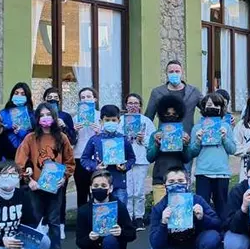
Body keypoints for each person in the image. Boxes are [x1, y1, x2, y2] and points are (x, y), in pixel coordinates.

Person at [15, 103, 75, 249]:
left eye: (48, 114)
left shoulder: (61, 138)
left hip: (55, 187)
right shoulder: (30, 138)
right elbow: (19, 162)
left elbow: (70, 162)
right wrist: (29, 181)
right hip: (35, 188)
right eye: (42, 115)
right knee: (35, 221)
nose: (45, 118)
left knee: (54, 221)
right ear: (37, 118)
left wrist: (64, 178)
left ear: (54, 117)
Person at [144, 167, 221, 249]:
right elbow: (155, 244)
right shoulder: (159, 208)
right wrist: (163, 223)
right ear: (165, 185)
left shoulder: (197, 200)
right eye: (171, 182)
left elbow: (218, 225)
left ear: (188, 182)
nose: (176, 185)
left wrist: (202, 217)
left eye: (180, 181)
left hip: (196, 246)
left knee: (212, 237)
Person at [62, 171, 137, 249]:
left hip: (114, 247)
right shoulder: (84, 211)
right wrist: (90, 238)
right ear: (91, 189)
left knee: (109, 239)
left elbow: (132, 234)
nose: (99, 188)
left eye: (103, 185)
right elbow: (80, 242)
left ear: (110, 188)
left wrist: (121, 232)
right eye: (95, 186)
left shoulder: (119, 206)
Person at [188, 93, 237, 221]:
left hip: (221, 173)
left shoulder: (226, 127)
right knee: (202, 207)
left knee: (222, 207)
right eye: (209, 104)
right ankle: (204, 233)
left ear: (221, 108)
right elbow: (191, 152)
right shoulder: (197, 127)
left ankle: (223, 234)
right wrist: (198, 140)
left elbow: (232, 149)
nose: (212, 107)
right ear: (203, 107)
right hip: (203, 172)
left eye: (216, 105)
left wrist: (224, 137)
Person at [80, 105, 137, 206]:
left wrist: (124, 166)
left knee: (120, 210)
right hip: (100, 185)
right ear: (101, 121)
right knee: (100, 211)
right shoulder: (95, 139)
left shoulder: (123, 139)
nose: (110, 122)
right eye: (107, 120)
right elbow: (84, 159)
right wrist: (95, 166)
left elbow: (132, 158)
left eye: (113, 120)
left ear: (119, 121)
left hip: (119, 182)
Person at [145, 60, 203, 152]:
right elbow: (148, 117)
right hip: (164, 139)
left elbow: (207, 108)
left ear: (182, 72)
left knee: (186, 165)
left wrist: (225, 116)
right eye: (171, 72)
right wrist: (148, 139)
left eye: (177, 71)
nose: (174, 74)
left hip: (186, 139)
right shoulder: (157, 92)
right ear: (166, 74)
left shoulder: (193, 91)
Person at [118, 93, 157, 231]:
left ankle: (139, 217)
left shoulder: (146, 121)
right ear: (125, 105)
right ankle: (128, 216)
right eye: (130, 103)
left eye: (136, 103)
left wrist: (142, 139)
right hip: (124, 160)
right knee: (128, 190)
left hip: (141, 159)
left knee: (139, 190)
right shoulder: (120, 121)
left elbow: (153, 143)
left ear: (140, 106)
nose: (133, 106)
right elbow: (115, 142)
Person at [43, 87, 77, 238]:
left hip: (61, 160)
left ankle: (61, 225)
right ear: (44, 99)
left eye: (55, 97)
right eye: (49, 97)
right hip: (43, 160)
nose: (53, 99)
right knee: (43, 193)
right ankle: (44, 225)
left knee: (60, 194)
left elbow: (72, 138)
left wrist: (64, 126)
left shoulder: (65, 116)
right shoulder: (40, 114)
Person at [146, 95, 191, 204]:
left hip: (178, 179)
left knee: (178, 211)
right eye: (167, 114)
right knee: (160, 211)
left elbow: (187, 158)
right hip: (160, 179)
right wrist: (157, 145)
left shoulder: (182, 134)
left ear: (179, 115)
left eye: (174, 114)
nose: (171, 116)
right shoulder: (156, 135)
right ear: (162, 114)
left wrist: (185, 145)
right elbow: (150, 157)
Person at [73, 87, 101, 208]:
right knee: (81, 190)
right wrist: (74, 131)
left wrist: (99, 131)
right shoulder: (75, 118)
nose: (85, 99)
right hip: (79, 156)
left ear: (95, 99)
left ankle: (97, 219)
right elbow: (70, 140)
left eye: (89, 97)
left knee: (97, 189)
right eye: (83, 97)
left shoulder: (100, 117)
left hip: (96, 158)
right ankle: (82, 220)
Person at [0, 82, 35, 149]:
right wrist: (9, 127)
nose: (19, 96)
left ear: (27, 97)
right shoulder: (3, 113)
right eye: (16, 93)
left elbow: (33, 135)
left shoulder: (32, 114)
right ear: (12, 95)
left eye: (23, 94)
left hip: (25, 151)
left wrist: (20, 131)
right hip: (6, 151)